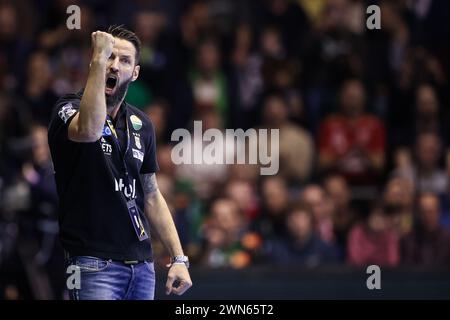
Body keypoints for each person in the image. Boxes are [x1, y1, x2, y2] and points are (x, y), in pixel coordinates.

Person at [48, 25, 192, 300]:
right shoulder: (67, 108)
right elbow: (89, 130)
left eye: (124, 60)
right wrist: (98, 62)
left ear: (135, 73)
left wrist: (179, 258)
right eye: (108, 57)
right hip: (92, 264)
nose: (114, 65)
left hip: (142, 267)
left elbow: (151, 194)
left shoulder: (142, 124)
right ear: (95, 61)